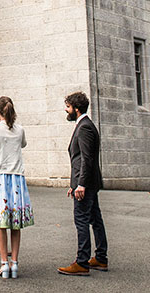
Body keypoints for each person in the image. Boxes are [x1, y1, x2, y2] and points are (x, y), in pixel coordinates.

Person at [0, 96, 33, 279]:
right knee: (15, 223)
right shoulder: (20, 129)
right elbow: (23, 144)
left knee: (1, 223)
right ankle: (15, 263)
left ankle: (4, 263)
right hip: (16, 177)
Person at [58, 91, 108, 276]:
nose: (66, 110)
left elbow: (87, 159)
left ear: (76, 109)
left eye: (68, 107)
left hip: (86, 184)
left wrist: (81, 185)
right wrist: (75, 184)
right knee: (95, 219)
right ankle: (100, 258)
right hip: (88, 182)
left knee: (82, 220)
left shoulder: (85, 128)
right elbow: (80, 159)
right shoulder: (85, 125)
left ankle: (82, 262)